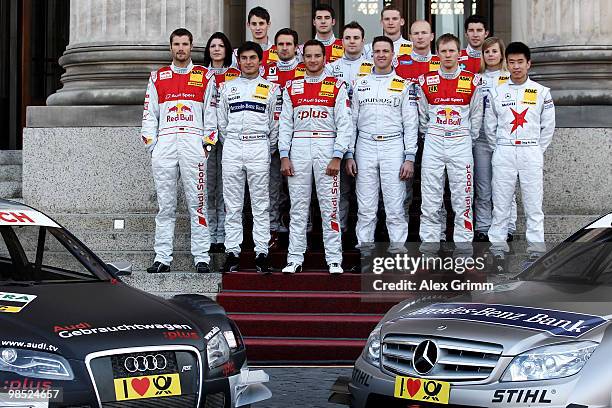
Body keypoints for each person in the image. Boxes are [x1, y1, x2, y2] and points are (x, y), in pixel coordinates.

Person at [141, 28, 217, 274]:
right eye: (176, 44)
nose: (181, 48)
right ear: (170, 47)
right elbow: (149, 114)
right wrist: (153, 145)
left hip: (193, 141)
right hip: (165, 142)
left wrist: (206, 144)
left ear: (191, 46)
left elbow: (212, 113)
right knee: (165, 205)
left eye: (185, 44)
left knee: (198, 203)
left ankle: (202, 257)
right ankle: (162, 257)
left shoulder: (205, 76)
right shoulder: (158, 76)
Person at [279, 39, 352, 274]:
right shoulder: (291, 86)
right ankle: (294, 258)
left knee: (330, 206)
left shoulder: (337, 86)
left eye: (317, 56)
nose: (312, 60)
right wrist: (284, 155)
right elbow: (284, 125)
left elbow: (345, 124)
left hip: (327, 144)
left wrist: (338, 155)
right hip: (298, 146)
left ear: (324, 58)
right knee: (298, 207)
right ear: (303, 59)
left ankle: (334, 259)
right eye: (308, 56)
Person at [485, 42, 555, 262]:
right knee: (501, 203)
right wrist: (500, 148)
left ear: (528, 64)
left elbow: (548, 127)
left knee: (534, 204)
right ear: (507, 63)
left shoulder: (542, 92)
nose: (516, 66)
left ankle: (535, 251)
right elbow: (489, 126)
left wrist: (535, 149)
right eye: (512, 62)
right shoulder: (496, 92)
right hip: (504, 150)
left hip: (530, 150)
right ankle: (497, 248)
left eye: (520, 62)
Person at [347, 36, 418, 252]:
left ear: (392, 55)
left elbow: (411, 123)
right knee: (366, 206)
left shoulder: (404, 85)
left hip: (393, 146)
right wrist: (349, 153)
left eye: (385, 51)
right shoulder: (360, 84)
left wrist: (409, 157)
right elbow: (351, 121)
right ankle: (365, 250)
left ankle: (397, 249)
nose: (381, 55)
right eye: (377, 51)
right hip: (365, 146)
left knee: (395, 204)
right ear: (372, 55)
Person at [415, 33, 483, 252]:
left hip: (461, 141)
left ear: (459, 53)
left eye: (452, 50)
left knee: (463, 197)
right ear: (437, 54)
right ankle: (430, 247)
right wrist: (433, 134)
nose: (447, 55)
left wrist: (464, 137)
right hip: (434, 141)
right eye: (443, 51)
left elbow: (477, 117)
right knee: (430, 198)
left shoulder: (472, 80)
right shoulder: (426, 80)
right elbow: (422, 117)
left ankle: (464, 248)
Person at [217, 41, 280, 273]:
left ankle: (261, 252)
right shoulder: (227, 87)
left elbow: (275, 124)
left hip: (259, 146)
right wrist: (231, 141)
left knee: (260, 205)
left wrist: (267, 146)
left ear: (260, 60)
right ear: (238, 61)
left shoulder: (271, 88)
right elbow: (221, 123)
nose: (248, 62)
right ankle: (232, 252)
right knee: (232, 205)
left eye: (253, 58)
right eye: (244, 58)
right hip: (233, 146)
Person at [325, 21, 373, 233]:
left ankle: (369, 234)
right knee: (340, 189)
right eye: (348, 38)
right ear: (341, 41)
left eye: (356, 38)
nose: (352, 42)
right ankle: (341, 232)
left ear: (363, 41)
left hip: (366, 134)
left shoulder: (374, 66)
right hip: (338, 134)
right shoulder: (331, 68)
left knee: (368, 191)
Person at [262, 28, 305, 247]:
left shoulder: (306, 70)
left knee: (300, 189)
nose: (285, 48)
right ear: (275, 47)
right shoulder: (265, 71)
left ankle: (303, 232)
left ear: (296, 47)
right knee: (272, 188)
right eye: (281, 44)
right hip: (270, 136)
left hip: (299, 138)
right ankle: (273, 229)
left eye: (289, 44)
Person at [473, 37, 517, 242]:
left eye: (494, 51)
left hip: (504, 139)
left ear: (502, 54)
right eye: (486, 52)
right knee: (483, 187)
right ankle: (483, 227)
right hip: (481, 140)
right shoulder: (475, 78)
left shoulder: (509, 77)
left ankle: (508, 227)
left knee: (505, 186)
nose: (490, 55)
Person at [203, 32, 240, 253]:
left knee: (227, 188)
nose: (217, 49)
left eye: (221, 46)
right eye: (213, 46)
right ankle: (209, 234)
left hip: (230, 136)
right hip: (206, 137)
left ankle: (224, 235)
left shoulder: (236, 74)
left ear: (227, 50)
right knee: (208, 185)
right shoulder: (200, 74)